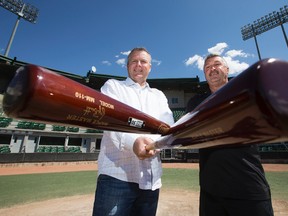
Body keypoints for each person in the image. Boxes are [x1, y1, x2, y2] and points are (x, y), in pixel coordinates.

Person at [186, 54, 274, 216]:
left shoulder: (247, 95)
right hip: (211, 192)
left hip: (248, 188)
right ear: (205, 74)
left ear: (227, 69)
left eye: (217, 64)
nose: (212, 69)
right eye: (207, 67)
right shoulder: (196, 103)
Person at [92, 47, 174, 216]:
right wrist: (134, 142)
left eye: (143, 61)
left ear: (150, 67)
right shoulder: (113, 86)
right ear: (127, 66)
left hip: (151, 180)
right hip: (116, 177)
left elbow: (167, 126)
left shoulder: (158, 95)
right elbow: (110, 120)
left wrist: (157, 144)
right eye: (134, 61)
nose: (138, 65)